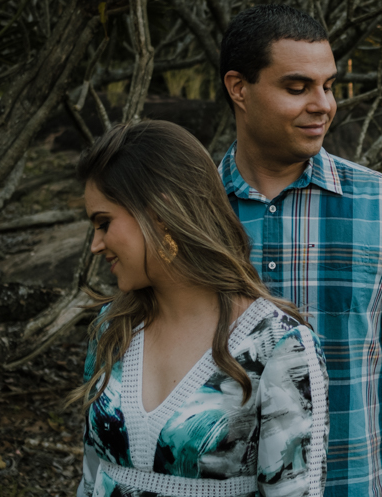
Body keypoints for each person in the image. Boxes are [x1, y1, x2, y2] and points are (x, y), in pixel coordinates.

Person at [218, 5, 382, 497]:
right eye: (297, 87)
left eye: (328, 85)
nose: (323, 104)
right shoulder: (189, 210)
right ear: (239, 89)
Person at [71, 120, 329, 497]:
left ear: (161, 212)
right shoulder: (112, 328)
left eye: (104, 223)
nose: (95, 244)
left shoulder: (278, 344)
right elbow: (91, 476)